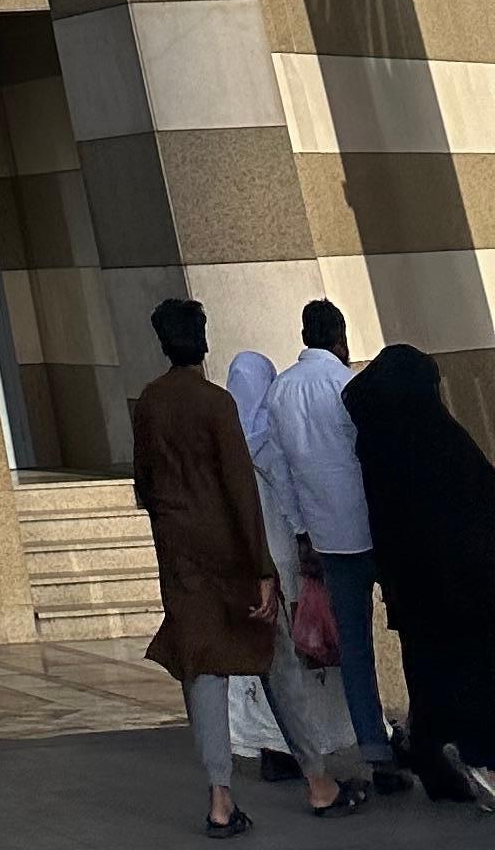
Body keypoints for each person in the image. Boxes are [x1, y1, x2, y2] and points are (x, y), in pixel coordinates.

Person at [137, 298, 367, 834]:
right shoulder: (217, 404)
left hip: (182, 562)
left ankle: (220, 800)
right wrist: (263, 569)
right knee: (276, 661)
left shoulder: (148, 403)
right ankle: (318, 782)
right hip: (232, 559)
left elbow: (144, 485)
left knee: (203, 672)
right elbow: (241, 489)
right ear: (202, 340)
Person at [343, 347, 495, 809]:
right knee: (472, 672)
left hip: (410, 588)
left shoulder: (377, 443)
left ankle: (438, 765)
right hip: (462, 588)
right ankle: (477, 756)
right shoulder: (441, 440)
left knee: (426, 676)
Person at [229, 351, 375, 804]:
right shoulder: (270, 440)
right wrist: (304, 535)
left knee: (271, 659)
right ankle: (311, 745)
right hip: (285, 555)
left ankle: (273, 745)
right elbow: (291, 489)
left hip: (253, 560)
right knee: (300, 653)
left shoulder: (227, 445)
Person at [276, 304, 400, 777]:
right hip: (374, 529)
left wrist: (301, 529)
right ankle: (421, 731)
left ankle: (373, 746)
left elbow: (283, 473)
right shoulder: (346, 385)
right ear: (341, 339)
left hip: (327, 537)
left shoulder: (280, 391)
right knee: (410, 629)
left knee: (354, 646)